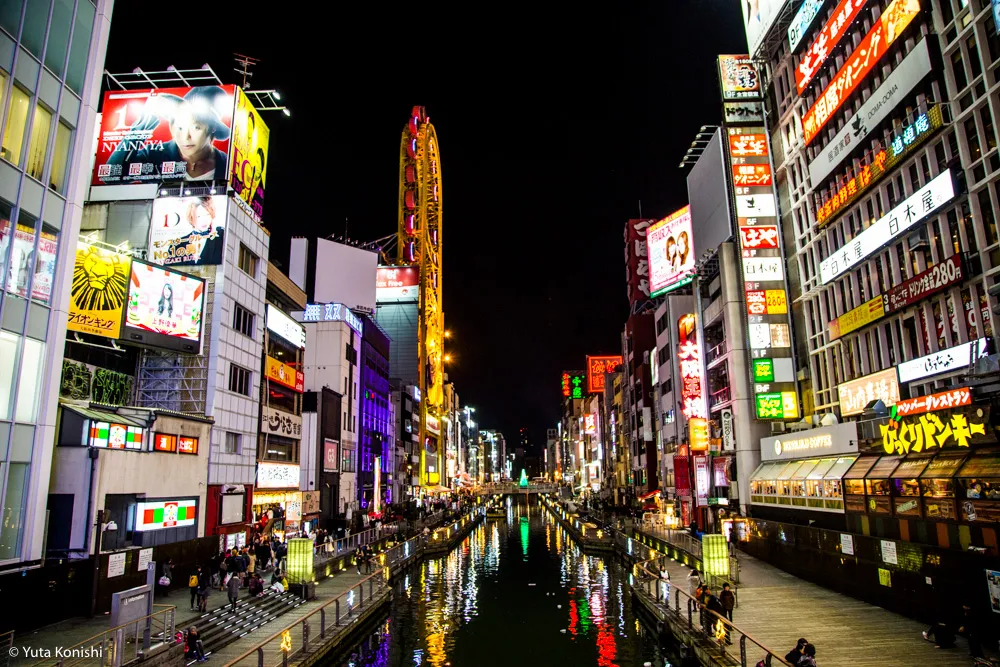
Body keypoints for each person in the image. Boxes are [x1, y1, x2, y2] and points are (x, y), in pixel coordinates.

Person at [106, 86, 232, 182]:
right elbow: (110, 175)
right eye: (180, 127)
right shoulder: (155, 154)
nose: (185, 137)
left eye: (196, 128)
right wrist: (143, 124)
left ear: (213, 128)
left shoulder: (226, 164)